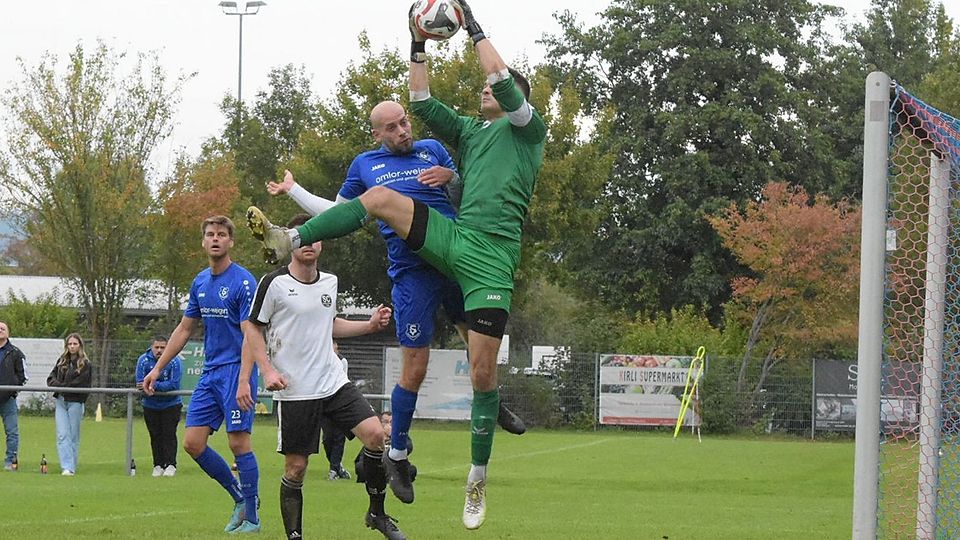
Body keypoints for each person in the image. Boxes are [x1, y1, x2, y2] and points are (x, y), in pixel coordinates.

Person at [245, 0, 545, 529]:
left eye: (493, 89)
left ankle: (476, 480)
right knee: (380, 198)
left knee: (481, 373)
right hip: (454, 242)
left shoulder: (527, 129)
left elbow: (497, 74)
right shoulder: (467, 133)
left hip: (494, 259)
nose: (484, 91)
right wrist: (418, 42)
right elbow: (421, 97)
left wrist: (472, 24)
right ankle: (287, 235)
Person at [262, 100, 526, 500]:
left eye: (405, 122)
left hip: (456, 258)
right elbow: (340, 212)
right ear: (377, 134)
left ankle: (492, 401)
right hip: (411, 272)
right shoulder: (365, 165)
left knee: (480, 351)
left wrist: (451, 176)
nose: (403, 130)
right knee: (415, 367)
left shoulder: (433, 150)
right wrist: (295, 190)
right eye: (393, 126)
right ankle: (398, 453)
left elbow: (475, 191)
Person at [240, 214, 404, 540]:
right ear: (290, 243)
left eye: (315, 237)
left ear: (322, 243)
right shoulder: (273, 283)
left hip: (333, 381)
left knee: (375, 435)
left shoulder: (330, 282)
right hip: (296, 388)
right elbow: (252, 328)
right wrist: (264, 371)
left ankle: (377, 513)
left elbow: (330, 324)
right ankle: (295, 536)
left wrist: (369, 326)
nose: (310, 243)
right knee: (296, 469)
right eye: (302, 237)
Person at [142, 215, 271, 534]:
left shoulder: (243, 282)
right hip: (211, 373)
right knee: (192, 443)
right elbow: (185, 328)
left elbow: (250, 334)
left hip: (235, 372)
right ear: (203, 241)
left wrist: (244, 379)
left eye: (222, 234)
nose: (215, 239)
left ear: (231, 242)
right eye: (210, 234)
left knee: (238, 443)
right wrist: (157, 368)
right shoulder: (200, 282)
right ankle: (239, 498)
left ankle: (252, 517)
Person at [135, 335, 183, 477]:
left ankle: (170, 464)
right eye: (157, 347)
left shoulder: (175, 361)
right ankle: (157, 465)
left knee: (169, 435)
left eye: (163, 347)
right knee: (155, 436)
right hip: (150, 405)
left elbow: (174, 384)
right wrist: (148, 386)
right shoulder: (143, 360)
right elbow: (139, 383)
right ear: (151, 347)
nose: (160, 350)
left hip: (171, 404)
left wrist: (152, 384)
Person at [46, 333, 93, 476]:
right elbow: (51, 378)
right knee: (62, 434)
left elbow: (81, 383)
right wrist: (60, 387)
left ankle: (71, 466)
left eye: (75, 344)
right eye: (70, 344)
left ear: (80, 345)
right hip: (61, 400)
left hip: (76, 402)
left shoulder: (85, 363)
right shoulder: (62, 361)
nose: (72, 347)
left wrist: (64, 387)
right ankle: (66, 466)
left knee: (73, 435)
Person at [0, 320, 27, 471]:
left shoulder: (16, 353)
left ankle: (10, 462)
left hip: (8, 400)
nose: (0, 330)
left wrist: (13, 390)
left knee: (12, 432)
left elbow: (23, 376)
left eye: (3, 328)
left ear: (8, 332)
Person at [321, 341, 350, 481]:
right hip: (324, 403)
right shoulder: (319, 361)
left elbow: (343, 380)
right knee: (327, 438)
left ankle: (333, 469)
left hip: (339, 402)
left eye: (335, 348)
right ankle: (338, 467)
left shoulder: (342, 361)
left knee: (339, 436)